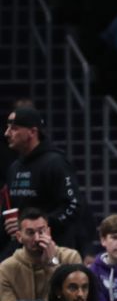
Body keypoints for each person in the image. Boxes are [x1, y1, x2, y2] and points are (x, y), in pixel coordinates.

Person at [3, 107, 88, 257]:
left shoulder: (55, 163)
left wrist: (36, 227)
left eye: (14, 128)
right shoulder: (14, 167)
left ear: (32, 132)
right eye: (8, 127)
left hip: (54, 249)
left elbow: (73, 206)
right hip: (21, 251)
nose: (7, 133)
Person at [0, 208, 82, 301]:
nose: (37, 238)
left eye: (41, 232)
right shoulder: (6, 268)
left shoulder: (70, 257)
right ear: (19, 237)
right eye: (30, 233)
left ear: (49, 232)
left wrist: (52, 263)